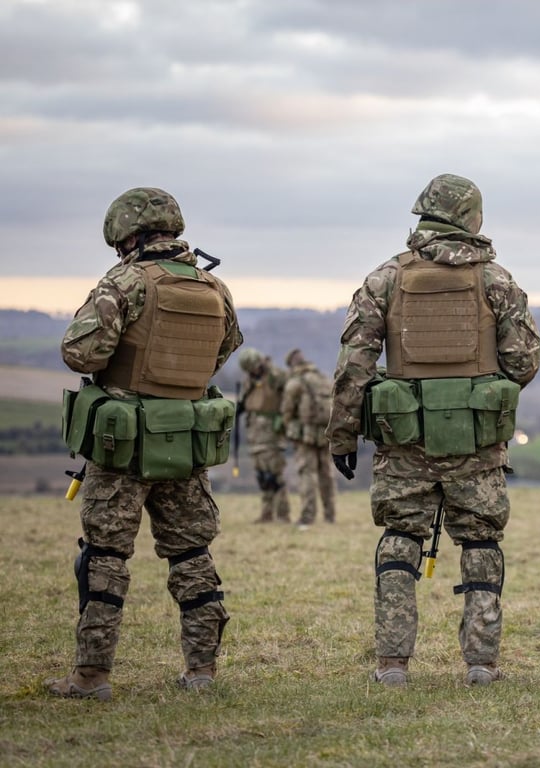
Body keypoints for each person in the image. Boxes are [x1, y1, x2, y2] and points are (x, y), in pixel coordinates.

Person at [327, 173, 540, 687]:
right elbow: (524, 362)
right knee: (481, 543)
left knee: (399, 540)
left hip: (404, 444)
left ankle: (392, 665)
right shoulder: (498, 281)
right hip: (476, 443)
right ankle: (482, 664)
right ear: (472, 219)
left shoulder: (386, 279)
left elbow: (353, 365)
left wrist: (341, 436)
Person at [48, 187, 243, 700]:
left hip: (123, 447)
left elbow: (80, 352)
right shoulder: (214, 287)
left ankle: (92, 677)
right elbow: (224, 349)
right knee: (192, 553)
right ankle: (202, 672)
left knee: (106, 555)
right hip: (185, 444)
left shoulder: (124, 281)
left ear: (125, 235)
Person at [282, 348, 336, 527]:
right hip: (325, 431)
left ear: (292, 364)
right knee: (326, 473)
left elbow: (287, 411)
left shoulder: (295, 382)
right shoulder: (322, 378)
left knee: (307, 473)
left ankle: (308, 516)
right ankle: (330, 515)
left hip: (305, 435)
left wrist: (289, 427)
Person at [237, 348, 292, 523]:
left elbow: (290, 396)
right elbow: (246, 400)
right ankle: (267, 513)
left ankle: (283, 515)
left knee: (275, 475)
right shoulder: (250, 381)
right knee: (262, 476)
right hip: (254, 433)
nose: (252, 371)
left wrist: (284, 418)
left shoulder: (276, 376)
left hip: (272, 432)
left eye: (254, 367)